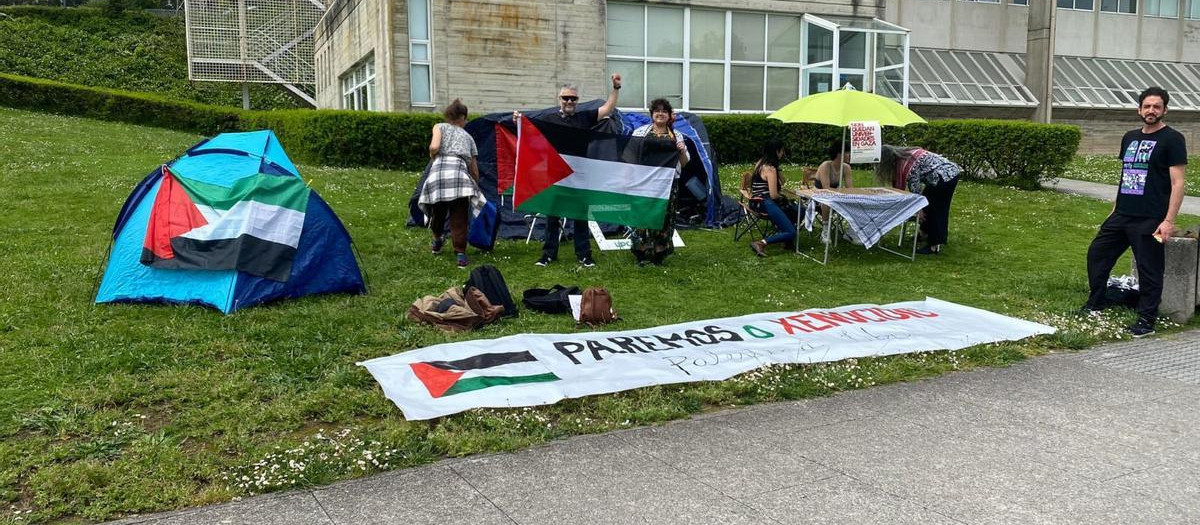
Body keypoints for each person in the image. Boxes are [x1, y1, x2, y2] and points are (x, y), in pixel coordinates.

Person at [1081, 86, 1187, 338]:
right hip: (1122, 214)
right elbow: (1127, 176)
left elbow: (1178, 183)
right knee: (1097, 254)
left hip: (1151, 218)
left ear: (1165, 110)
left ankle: (1146, 320)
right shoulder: (1129, 137)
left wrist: (1169, 221)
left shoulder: (1172, 139)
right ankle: (1096, 303)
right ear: (1139, 109)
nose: (1151, 111)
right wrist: (1114, 209)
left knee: (1149, 269)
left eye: (1157, 107)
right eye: (1147, 106)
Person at [517, 74, 623, 267]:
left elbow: (608, 108)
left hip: (579, 176)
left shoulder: (584, 117)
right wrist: (518, 120)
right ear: (559, 99)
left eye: (573, 98)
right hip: (556, 176)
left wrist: (616, 88)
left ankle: (584, 254)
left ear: (577, 101)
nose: (569, 101)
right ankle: (548, 254)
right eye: (566, 98)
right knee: (552, 216)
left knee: (580, 216)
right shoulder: (548, 119)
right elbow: (528, 130)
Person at [419, 98, 483, 268]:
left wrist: (434, 157)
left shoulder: (439, 126)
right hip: (459, 177)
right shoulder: (469, 138)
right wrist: (474, 185)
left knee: (438, 212)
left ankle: (437, 240)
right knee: (459, 216)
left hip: (438, 176)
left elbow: (434, 147)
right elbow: (474, 169)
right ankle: (460, 253)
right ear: (462, 117)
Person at [629, 98, 689, 266]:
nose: (660, 114)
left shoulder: (676, 136)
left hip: (668, 184)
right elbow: (630, 157)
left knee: (664, 217)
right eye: (657, 111)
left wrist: (682, 151)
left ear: (669, 115)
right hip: (645, 183)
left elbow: (683, 163)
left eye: (664, 111)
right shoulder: (640, 133)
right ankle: (641, 252)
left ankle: (659, 253)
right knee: (642, 216)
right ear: (652, 114)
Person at [875, 144, 961, 255]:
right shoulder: (907, 154)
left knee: (936, 209)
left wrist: (918, 210)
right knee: (929, 204)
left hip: (945, 177)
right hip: (945, 173)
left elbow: (915, 192)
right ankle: (924, 233)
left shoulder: (908, 167)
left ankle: (933, 246)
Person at [748, 138, 797, 257]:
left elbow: (783, 181)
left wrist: (777, 166)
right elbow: (774, 195)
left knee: (796, 210)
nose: (783, 154)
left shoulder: (760, 163)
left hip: (755, 202)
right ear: (777, 151)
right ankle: (761, 243)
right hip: (765, 203)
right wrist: (784, 197)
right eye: (782, 151)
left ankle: (787, 241)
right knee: (792, 231)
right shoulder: (770, 169)